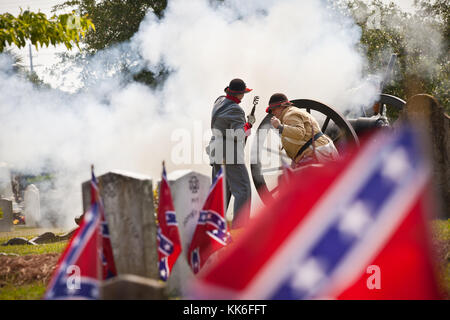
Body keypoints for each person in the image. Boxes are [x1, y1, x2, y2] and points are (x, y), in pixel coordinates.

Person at [206, 78, 255, 229]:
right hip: (230, 154)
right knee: (243, 190)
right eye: (243, 93)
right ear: (240, 94)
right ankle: (239, 230)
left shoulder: (219, 101)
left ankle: (212, 229)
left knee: (220, 193)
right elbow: (239, 134)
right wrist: (249, 124)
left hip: (216, 151)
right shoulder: (236, 109)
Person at [267, 93, 339, 168]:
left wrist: (279, 127)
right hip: (316, 151)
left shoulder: (290, 115)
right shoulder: (290, 114)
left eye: (274, 109)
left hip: (315, 153)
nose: (272, 112)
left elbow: (299, 133)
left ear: (282, 106)